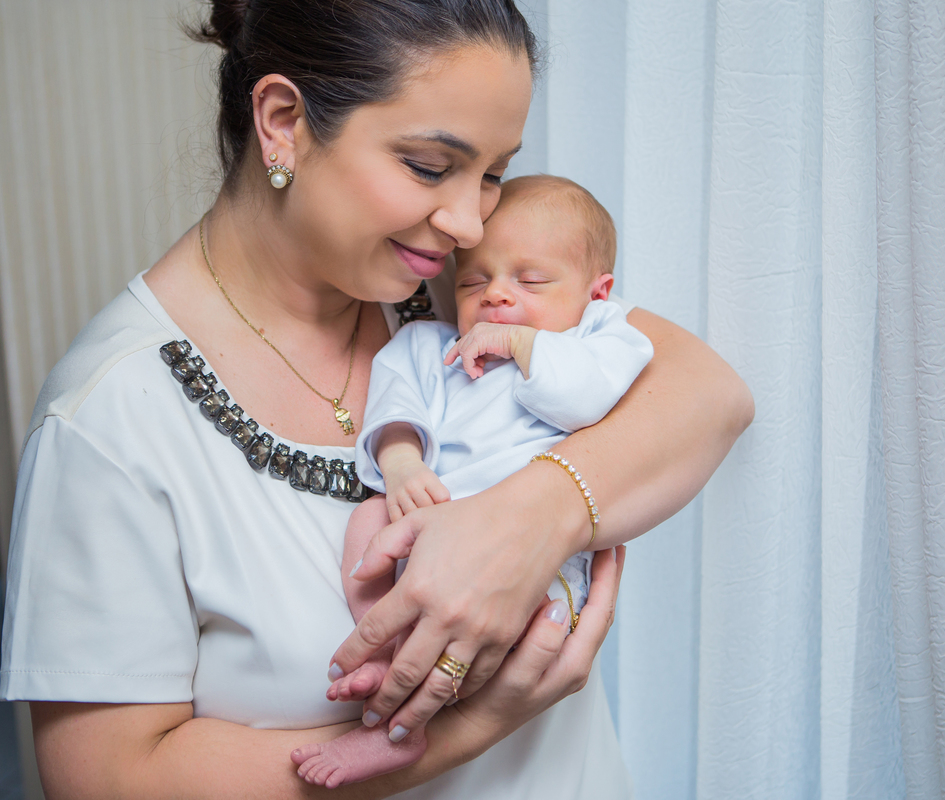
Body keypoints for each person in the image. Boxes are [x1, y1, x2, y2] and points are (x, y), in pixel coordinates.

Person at [0, 1, 754, 798]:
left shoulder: (469, 293)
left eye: (492, 174)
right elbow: (109, 780)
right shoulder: (107, 420)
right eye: (429, 166)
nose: (469, 224)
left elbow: (709, 391)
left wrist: (535, 519)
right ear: (283, 122)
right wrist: (468, 725)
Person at [294, 174, 654, 788]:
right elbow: (394, 402)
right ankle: (390, 652)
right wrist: (402, 462)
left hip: (534, 561)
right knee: (367, 520)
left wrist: (519, 342)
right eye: (472, 281)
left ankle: (404, 726)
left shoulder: (602, 341)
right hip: (432, 531)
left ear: (597, 294)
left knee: (508, 629)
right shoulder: (432, 347)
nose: (496, 295)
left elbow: (585, 401)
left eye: (530, 281)